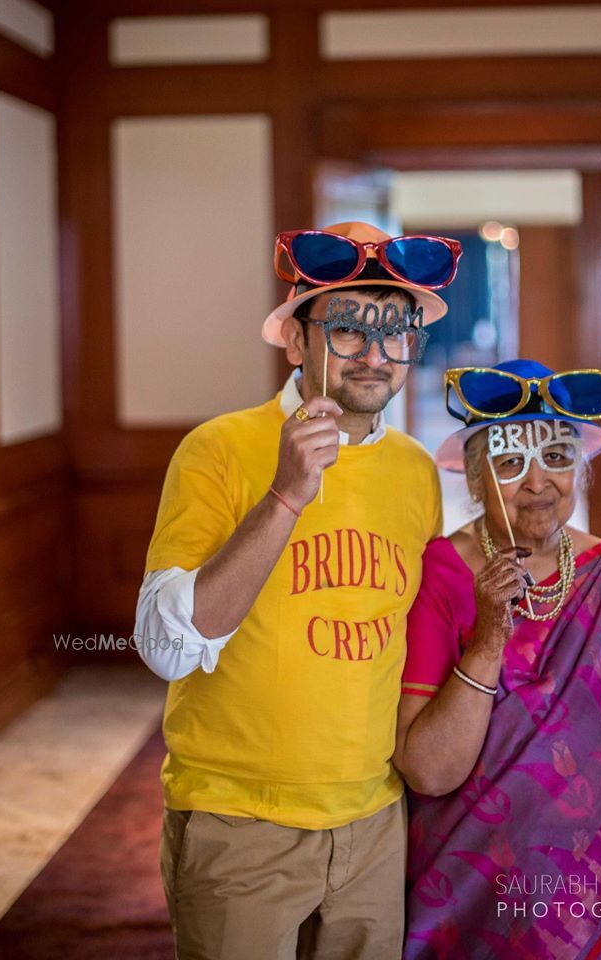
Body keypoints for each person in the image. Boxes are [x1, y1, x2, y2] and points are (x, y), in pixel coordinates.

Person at [133, 222, 463, 960]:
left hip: (374, 822)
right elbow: (162, 649)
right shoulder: (218, 449)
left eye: (395, 330)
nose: (375, 355)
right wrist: (285, 496)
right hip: (238, 821)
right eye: (348, 329)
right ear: (294, 341)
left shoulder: (414, 471)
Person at [395, 359, 601, 960]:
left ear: (580, 472)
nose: (538, 482)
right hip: (469, 880)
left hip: (589, 878)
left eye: (557, 459)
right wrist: (489, 637)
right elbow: (428, 770)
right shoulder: (444, 569)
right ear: (479, 480)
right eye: (511, 463)